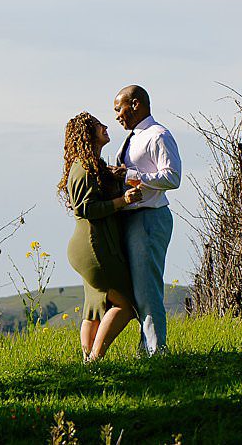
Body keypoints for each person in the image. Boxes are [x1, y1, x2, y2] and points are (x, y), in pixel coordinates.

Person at [59, 110, 148, 362]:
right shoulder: (82, 168)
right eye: (99, 125)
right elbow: (85, 209)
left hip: (94, 244)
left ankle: (87, 361)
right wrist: (123, 200)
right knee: (126, 304)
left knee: (94, 307)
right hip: (94, 246)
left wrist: (116, 177)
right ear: (87, 134)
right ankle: (95, 360)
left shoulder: (94, 166)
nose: (106, 127)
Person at [113, 83, 181, 356]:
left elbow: (173, 177)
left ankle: (156, 352)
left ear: (136, 104)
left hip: (149, 218)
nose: (117, 116)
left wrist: (130, 176)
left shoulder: (158, 135)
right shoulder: (133, 138)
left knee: (148, 290)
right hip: (131, 219)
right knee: (137, 291)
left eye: (119, 108)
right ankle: (146, 349)